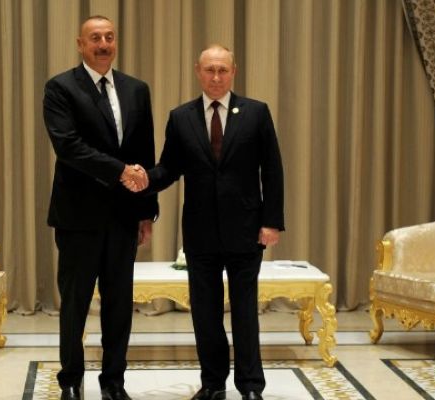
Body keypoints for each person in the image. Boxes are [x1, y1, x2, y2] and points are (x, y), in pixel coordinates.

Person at [134, 45, 285, 400]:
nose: (216, 77)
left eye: (222, 70)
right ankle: (213, 384)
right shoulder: (181, 117)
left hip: (246, 231)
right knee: (205, 314)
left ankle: (250, 386)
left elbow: (272, 170)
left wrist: (272, 222)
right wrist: (143, 179)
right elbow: (169, 168)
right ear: (198, 71)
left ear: (233, 71)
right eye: (209, 70)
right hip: (200, 233)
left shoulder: (256, 112)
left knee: (245, 312)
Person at [43, 15, 157, 400]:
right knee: (74, 305)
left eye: (109, 37)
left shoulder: (136, 89)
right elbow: (68, 146)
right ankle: (70, 382)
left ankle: (113, 383)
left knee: (119, 307)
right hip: (78, 217)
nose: (104, 44)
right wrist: (120, 171)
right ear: (81, 44)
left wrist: (146, 211)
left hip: (124, 217)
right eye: (95, 38)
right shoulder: (60, 88)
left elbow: (144, 152)